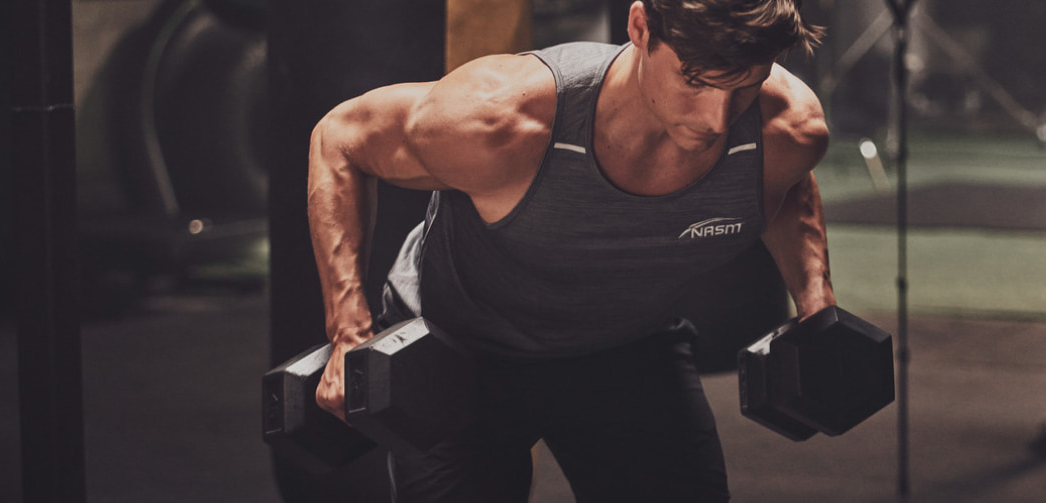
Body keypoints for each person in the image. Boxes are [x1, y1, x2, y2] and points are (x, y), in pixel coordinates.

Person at [306, 0, 830, 501]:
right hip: (463, 346)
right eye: (694, 80)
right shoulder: (502, 120)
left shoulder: (785, 130)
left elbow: (782, 184)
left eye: (744, 86)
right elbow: (341, 139)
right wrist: (349, 333)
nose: (717, 120)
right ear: (641, 28)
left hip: (626, 344)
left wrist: (816, 301)